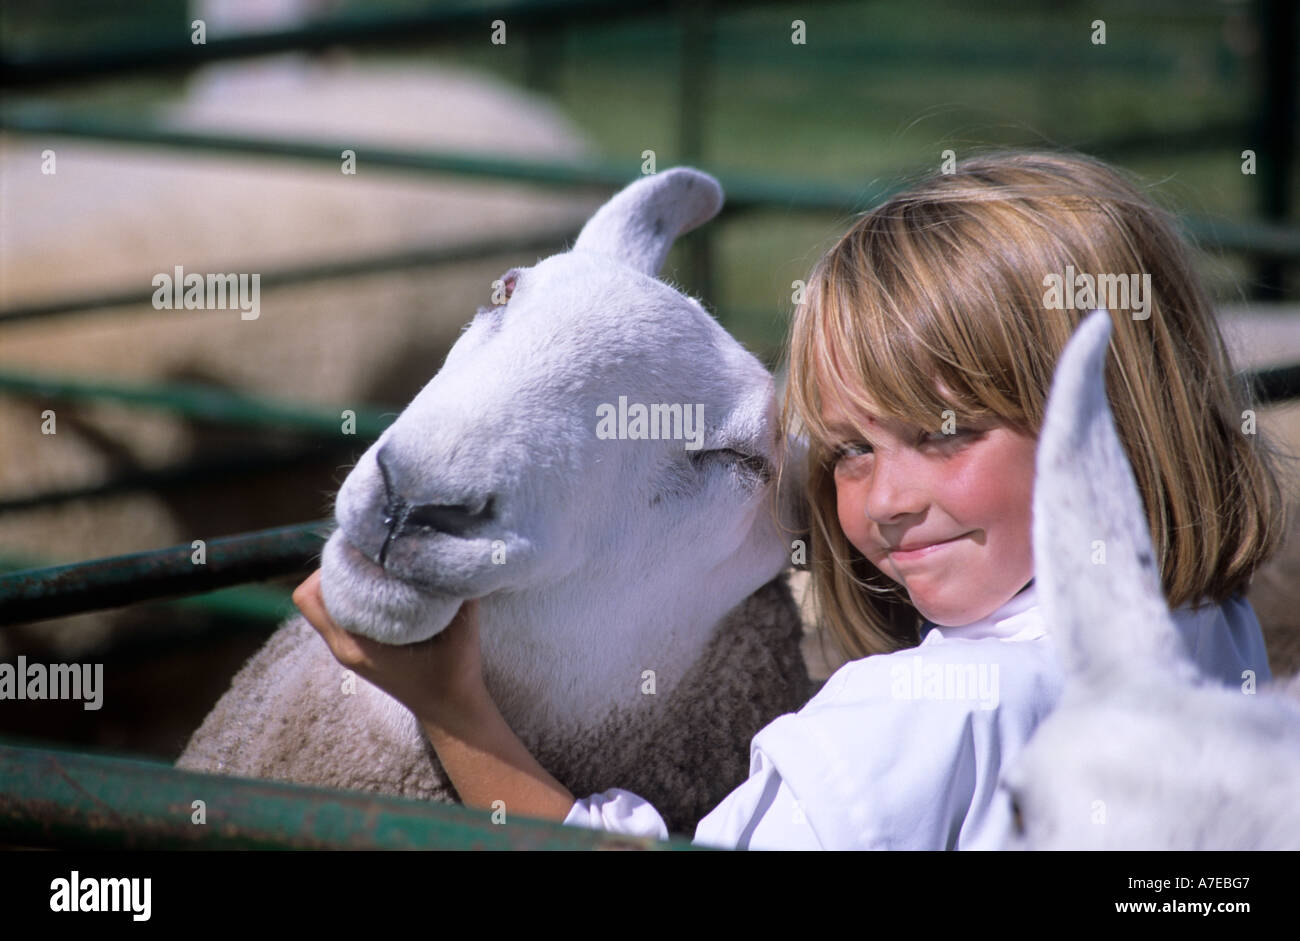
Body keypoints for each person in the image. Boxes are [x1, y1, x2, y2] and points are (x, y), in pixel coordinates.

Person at [292, 150, 1285, 850]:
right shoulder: (1201, 625)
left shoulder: (894, 725)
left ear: (1103, 419)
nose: (887, 500)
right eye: (846, 450)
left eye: (945, 433)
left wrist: (454, 709)